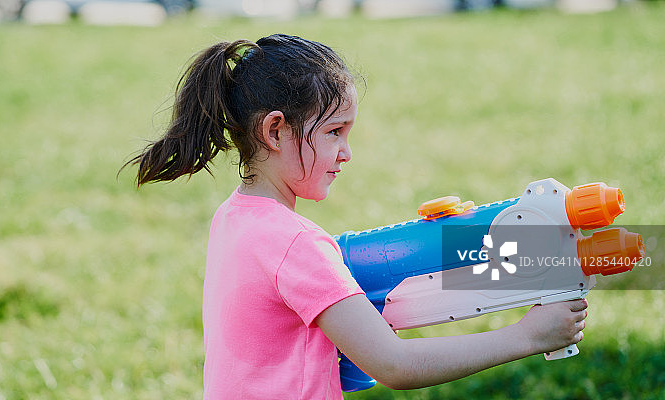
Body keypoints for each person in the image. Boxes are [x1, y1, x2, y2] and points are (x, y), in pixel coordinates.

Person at [124, 33, 588, 399]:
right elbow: (395, 366)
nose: (346, 152)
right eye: (333, 131)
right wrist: (527, 336)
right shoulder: (296, 245)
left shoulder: (233, 219)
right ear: (274, 130)